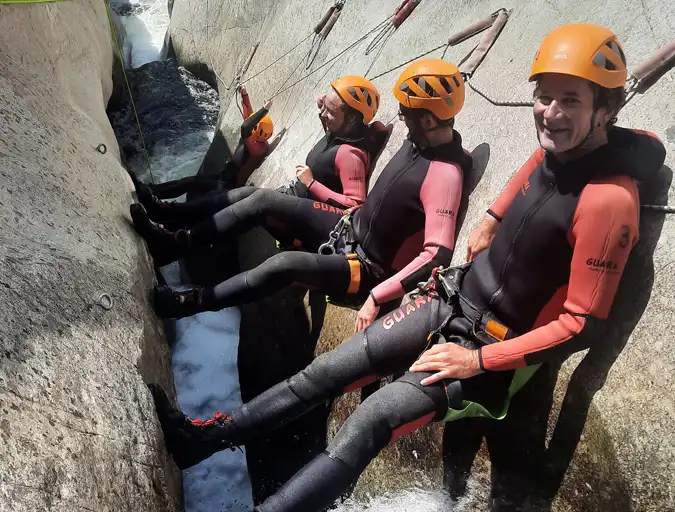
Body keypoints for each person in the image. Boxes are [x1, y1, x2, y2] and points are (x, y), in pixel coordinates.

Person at [128, 24, 666, 512]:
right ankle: (202, 439)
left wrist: (475, 364)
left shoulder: (611, 201)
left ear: (605, 110)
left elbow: (578, 324)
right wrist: (486, 223)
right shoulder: (547, 153)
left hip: (484, 351)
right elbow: (508, 204)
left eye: (571, 100)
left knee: (368, 422)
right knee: (323, 374)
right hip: (447, 299)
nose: (550, 112)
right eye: (544, 95)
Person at [141, 60, 472, 334]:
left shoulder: (446, 173)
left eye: (407, 114)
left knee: (284, 264)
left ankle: (190, 302)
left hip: (366, 267)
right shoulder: (420, 141)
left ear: (428, 120)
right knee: (260, 200)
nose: (401, 118)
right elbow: (373, 130)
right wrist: (332, 105)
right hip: (347, 227)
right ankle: (172, 241)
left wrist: (378, 296)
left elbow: (437, 254)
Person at [130, 75, 388, 265]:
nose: (322, 113)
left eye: (329, 111)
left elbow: (355, 205)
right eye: (323, 106)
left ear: (353, 119)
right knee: (240, 198)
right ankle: (166, 215)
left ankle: (173, 242)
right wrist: (324, 104)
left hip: (303, 222)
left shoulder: (351, 155)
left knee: (248, 206)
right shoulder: (340, 133)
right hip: (292, 201)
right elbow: (330, 140)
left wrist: (312, 184)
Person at [130, 86, 274, 204]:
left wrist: (264, 110)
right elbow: (248, 117)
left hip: (227, 186)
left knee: (189, 185)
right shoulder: (257, 140)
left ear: (257, 131)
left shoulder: (256, 149)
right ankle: (151, 190)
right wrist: (245, 95)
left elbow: (245, 126)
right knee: (187, 182)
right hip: (223, 176)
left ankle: (151, 196)